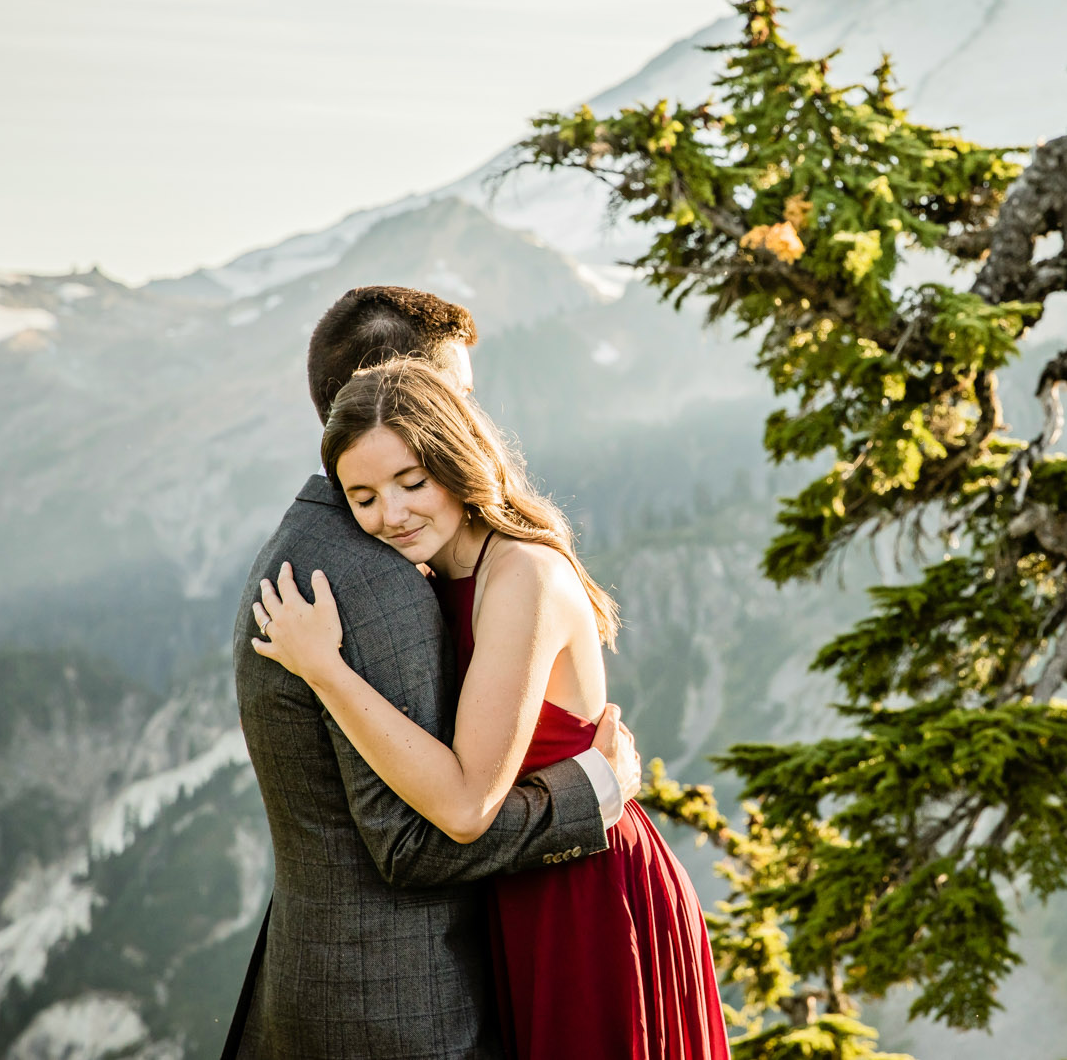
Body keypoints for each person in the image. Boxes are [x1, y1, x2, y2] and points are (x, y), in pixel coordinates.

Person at [251, 356, 730, 1060]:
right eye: (364, 496)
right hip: (527, 888)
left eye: (412, 481)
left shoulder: (521, 575)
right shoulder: (437, 570)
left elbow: (467, 802)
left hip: (588, 895)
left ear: (457, 461)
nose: (393, 513)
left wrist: (325, 669)